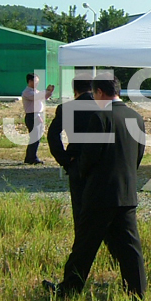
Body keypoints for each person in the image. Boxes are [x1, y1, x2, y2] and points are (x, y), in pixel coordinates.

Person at [43, 76, 147, 299]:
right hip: (126, 191)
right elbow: (138, 154)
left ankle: (69, 290)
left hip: (100, 192)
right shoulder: (136, 117)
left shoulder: (101, 117)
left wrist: (77, 168)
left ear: (100, 92)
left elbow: (91, 155)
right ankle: (137, 293)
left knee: (84, 245)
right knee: (130, 246)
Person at [46, 77, 95, 228]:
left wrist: (64, 159)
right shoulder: (104, 107)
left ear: (75, 90)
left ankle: (82, 238)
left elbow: (53, 135)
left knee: (80, 208)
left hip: (76, 160)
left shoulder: (66, 108)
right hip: (101, 162)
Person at [21, 72, 54, 164]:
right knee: (35, 138)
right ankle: (32, 157)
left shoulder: (36, 91)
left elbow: (44, 97)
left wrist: (49, 92)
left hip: (37, 115)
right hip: (32, 116)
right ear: (30, 81)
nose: (37, 83)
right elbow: (37, 97)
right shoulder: (27, 92)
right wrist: (46, 91)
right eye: (35, 81)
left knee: (36, 137)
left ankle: (29, 157)